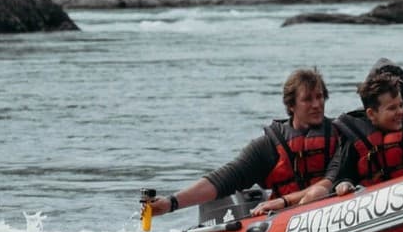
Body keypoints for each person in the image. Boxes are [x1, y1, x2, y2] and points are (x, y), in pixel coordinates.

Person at [141, 67, 342, 221]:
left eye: (320, 97)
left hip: (334, 212)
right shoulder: (269, 147)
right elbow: (224, 179)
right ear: (291, 106)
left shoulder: (340, 134)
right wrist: (171, 203)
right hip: (285, 222)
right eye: (308, 99)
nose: (317, 105)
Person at [297, 70, 403, 204]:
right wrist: (344, 184)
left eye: (401, 105)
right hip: (372, 204)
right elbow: (344, 176)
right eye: (392, 108)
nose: (400, 112)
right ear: (371, 114)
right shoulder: (355, 138)